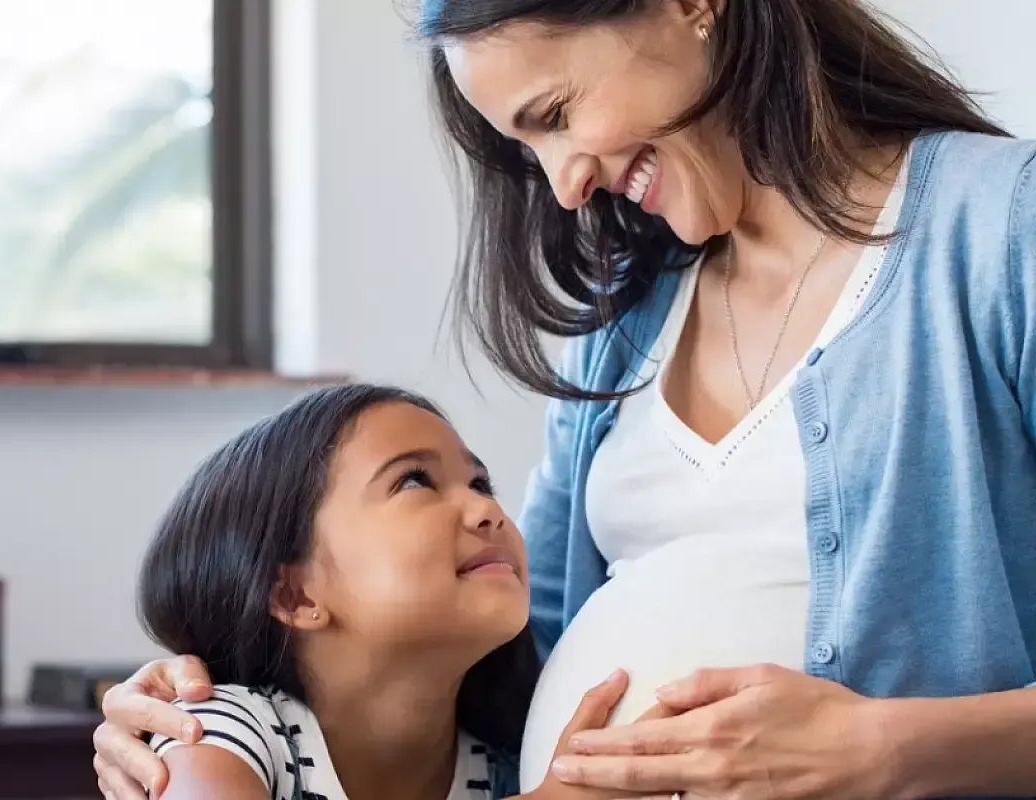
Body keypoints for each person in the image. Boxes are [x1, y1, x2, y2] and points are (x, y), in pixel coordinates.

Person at [95, 0, 1036, 797]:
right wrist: (205, 708)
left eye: (555, 112)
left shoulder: (1001, 231)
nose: (566, 185)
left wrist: (887, 750)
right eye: (525, 147)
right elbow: (497, 638)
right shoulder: (624, 324)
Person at [118, 382, 652, 800]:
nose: (487, 511)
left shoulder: (508, 765)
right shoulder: (219, 731)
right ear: (295, 597)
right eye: (415, 481)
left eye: (480, 483)